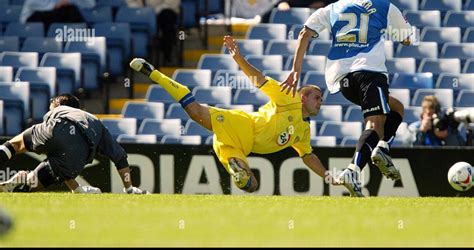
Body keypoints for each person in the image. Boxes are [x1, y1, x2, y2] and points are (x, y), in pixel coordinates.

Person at [129, 35, 339, 193]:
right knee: (195, 112)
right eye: (317, 97)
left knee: (251, 185)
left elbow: (308, 157)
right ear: (303, 97)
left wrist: (330, 177)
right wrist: (238, 57)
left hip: (241, 146)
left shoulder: (303, 131)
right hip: (242, 125)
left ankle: (237, 168)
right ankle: (155, 74)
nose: (320, 102)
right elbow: (259, 79)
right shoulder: (289, 97)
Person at [281, 0, 415, 197]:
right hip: (369, 72)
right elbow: (406, 40)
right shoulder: (384, 6)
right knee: (374, 124)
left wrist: (295, 71)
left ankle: (381, 148)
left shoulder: (333, 8)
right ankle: (353, 170)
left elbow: (304, 34)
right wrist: (394, 32)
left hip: (341, 79)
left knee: (395, 108)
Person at [0, 94, 147, 194]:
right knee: (38, 181)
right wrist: (129, 188)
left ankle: (22, 179)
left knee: (14, 145)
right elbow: (120, 157)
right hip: (78, 155)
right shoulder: (95, 122)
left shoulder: (60, 110)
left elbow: (56, 140)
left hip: (57, 129)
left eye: (52, 101)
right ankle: (24, 181)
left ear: (58, 103)